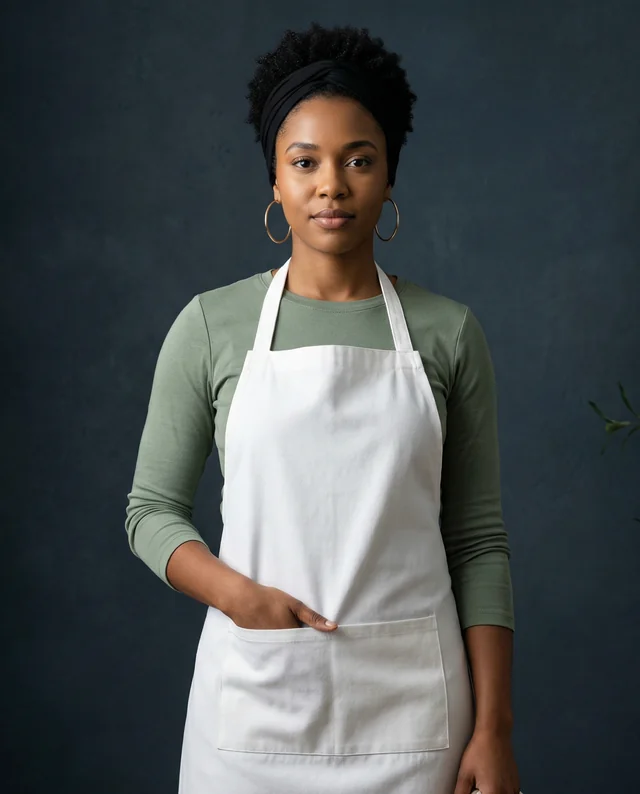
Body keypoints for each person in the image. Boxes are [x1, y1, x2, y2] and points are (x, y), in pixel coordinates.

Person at [125, 22, 522, 794]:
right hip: (252, 716)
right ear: (275, 180)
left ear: (389, 175)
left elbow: (477, 544)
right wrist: (235, 595)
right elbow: (151, 511)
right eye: (304, 162)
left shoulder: (449, 333)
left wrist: (494, 731)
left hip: (414, 726)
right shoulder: (211, 326)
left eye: (358, 161)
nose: (330, 185)